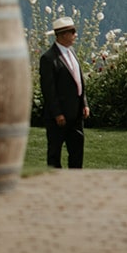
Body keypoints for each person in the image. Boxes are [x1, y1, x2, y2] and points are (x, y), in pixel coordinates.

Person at [39, 15, 89, 168]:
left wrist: (84, 103)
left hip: (76, 114)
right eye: (73, 32)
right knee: (55, 152)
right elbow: (49, 89)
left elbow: (79, 80)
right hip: (59, 116)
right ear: (63, 35)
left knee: (77, 151)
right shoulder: (49, 58)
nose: (75, 35)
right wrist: (57, 113)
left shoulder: (72, 52)